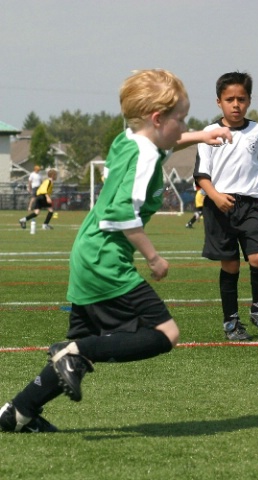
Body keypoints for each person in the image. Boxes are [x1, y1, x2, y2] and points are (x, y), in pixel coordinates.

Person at [0, 69, 232, 433]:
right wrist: (153, 257)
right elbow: (121, 212)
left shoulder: (129, 141)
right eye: (181, 118)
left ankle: (17, 412)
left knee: (76, 345)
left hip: (86, 251)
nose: (183, 124)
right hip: (107, 258)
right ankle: (76, 354)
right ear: (158, 118)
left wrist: (204, 134)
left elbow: (167, 141)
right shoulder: (145, 157)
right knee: (165, 333)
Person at [194, 71, 258, 342]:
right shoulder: (209, 133)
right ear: (218, 101)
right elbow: (201, 174)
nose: (235, 104)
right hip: (219, 206)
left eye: (241, 99)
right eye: (229, 99)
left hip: (252, 204)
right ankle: (231, 321)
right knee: (230, 266)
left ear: (249, 101)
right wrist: (216, 196)